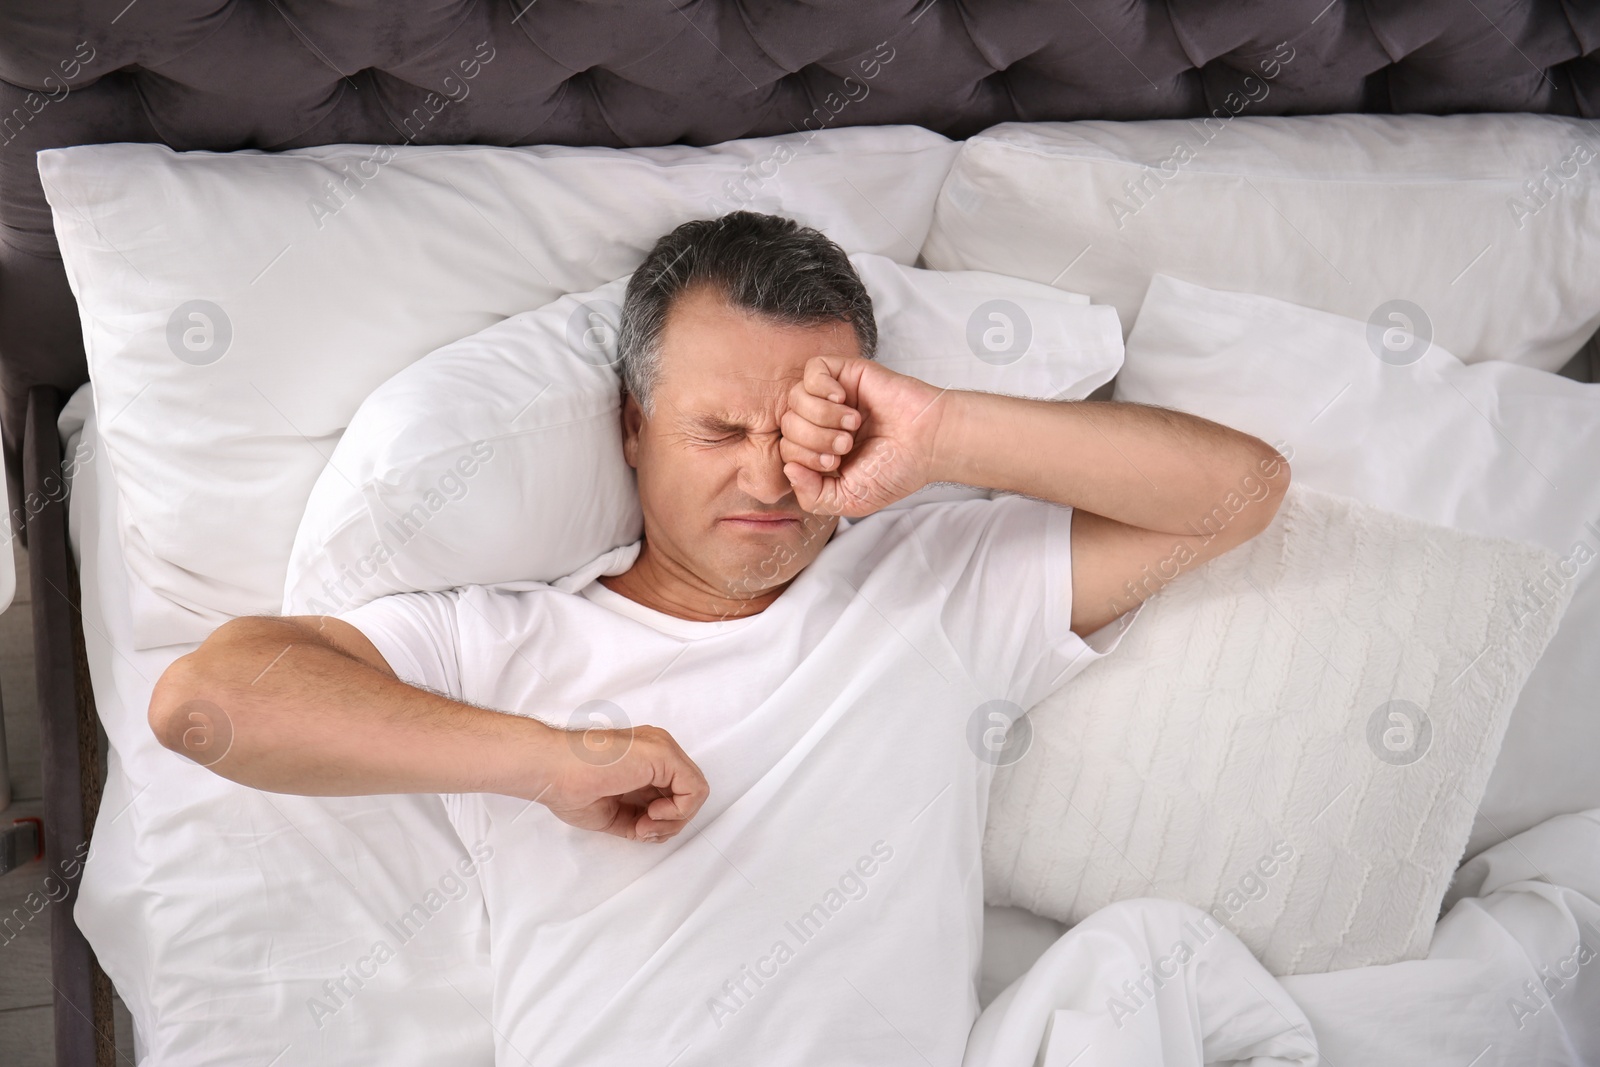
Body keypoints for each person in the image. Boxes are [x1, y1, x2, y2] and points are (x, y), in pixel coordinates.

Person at [148, 211, 1290, 1064]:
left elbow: (1239, 490)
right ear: (633, 429)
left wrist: (941, 431)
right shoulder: (502, 645)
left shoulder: (935, 588)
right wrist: (551, 760)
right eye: (720, 428)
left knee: (1154, 957)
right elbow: (206, 703)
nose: (767, 476)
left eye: (802, 427)